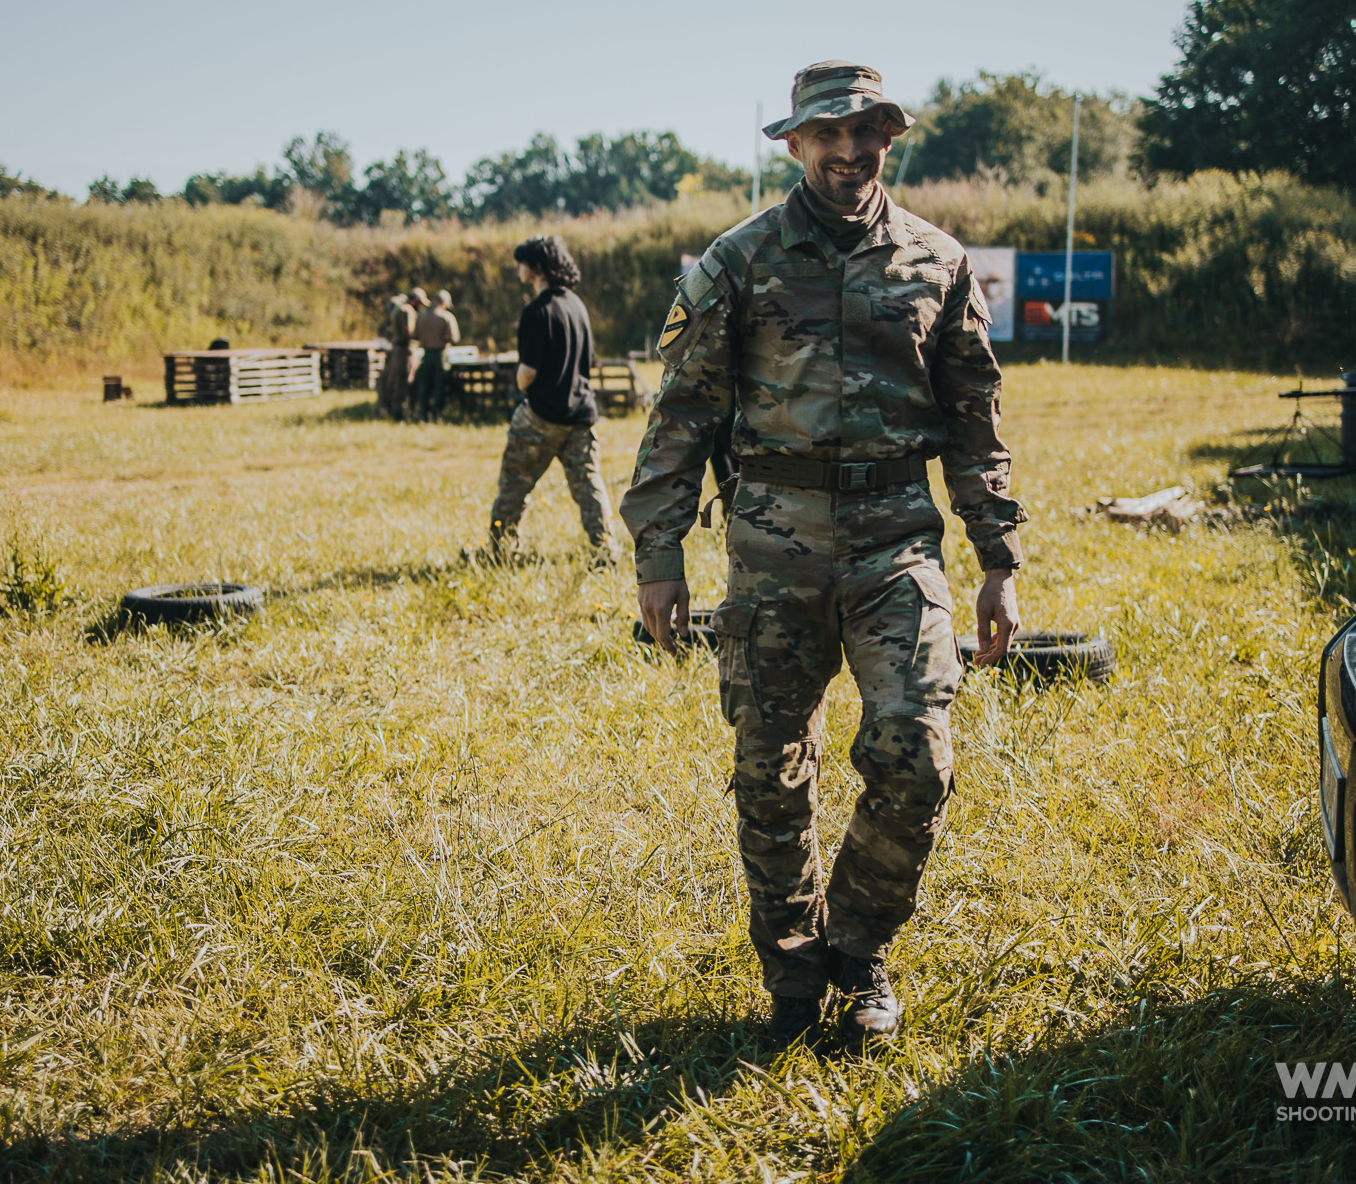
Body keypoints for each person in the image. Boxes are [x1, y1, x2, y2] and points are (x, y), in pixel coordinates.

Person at [621, 61, 1026, 1052]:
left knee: (913, 756)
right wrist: (657, 554)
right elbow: (683, 413)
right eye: (829, 136)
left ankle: (860, 955)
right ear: (794, 143)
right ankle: (793, 976)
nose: (849, 153)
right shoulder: (736, 262)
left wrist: (997, 561)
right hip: (772, 548)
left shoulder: (936, 259)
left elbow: (974, 422)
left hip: (895, 542)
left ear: (889, 139)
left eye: (868, 134)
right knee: (770, 774)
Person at [488, 235, 619, 563]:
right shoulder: (577, 305)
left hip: (542, 414)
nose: (518, 268)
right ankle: (606, 551)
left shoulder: (537, 310)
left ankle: (502, 551)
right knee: (589, 487)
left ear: (536, 266)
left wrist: (521, 385)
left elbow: (527, 373)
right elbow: (588, 360)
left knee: (514, 484)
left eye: (521, 262)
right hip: (580, 414)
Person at [412, 289, 462, 419]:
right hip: (440, 355)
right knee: (439, 386)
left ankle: (422, 413)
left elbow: (415, 335)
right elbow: (455, 338)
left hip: (426, 354)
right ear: (443, 303)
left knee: (424, 386)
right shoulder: (446, 317)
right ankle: (436, 414)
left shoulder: (420, 316)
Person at [376, 292, 419, 420]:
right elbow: (408, 332)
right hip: (402, 351)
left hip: (396, 351)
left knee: (393, 382)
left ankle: (390, 409)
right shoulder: (405, 311)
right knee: (401, 382)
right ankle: (397, 413)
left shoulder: (396, 312)